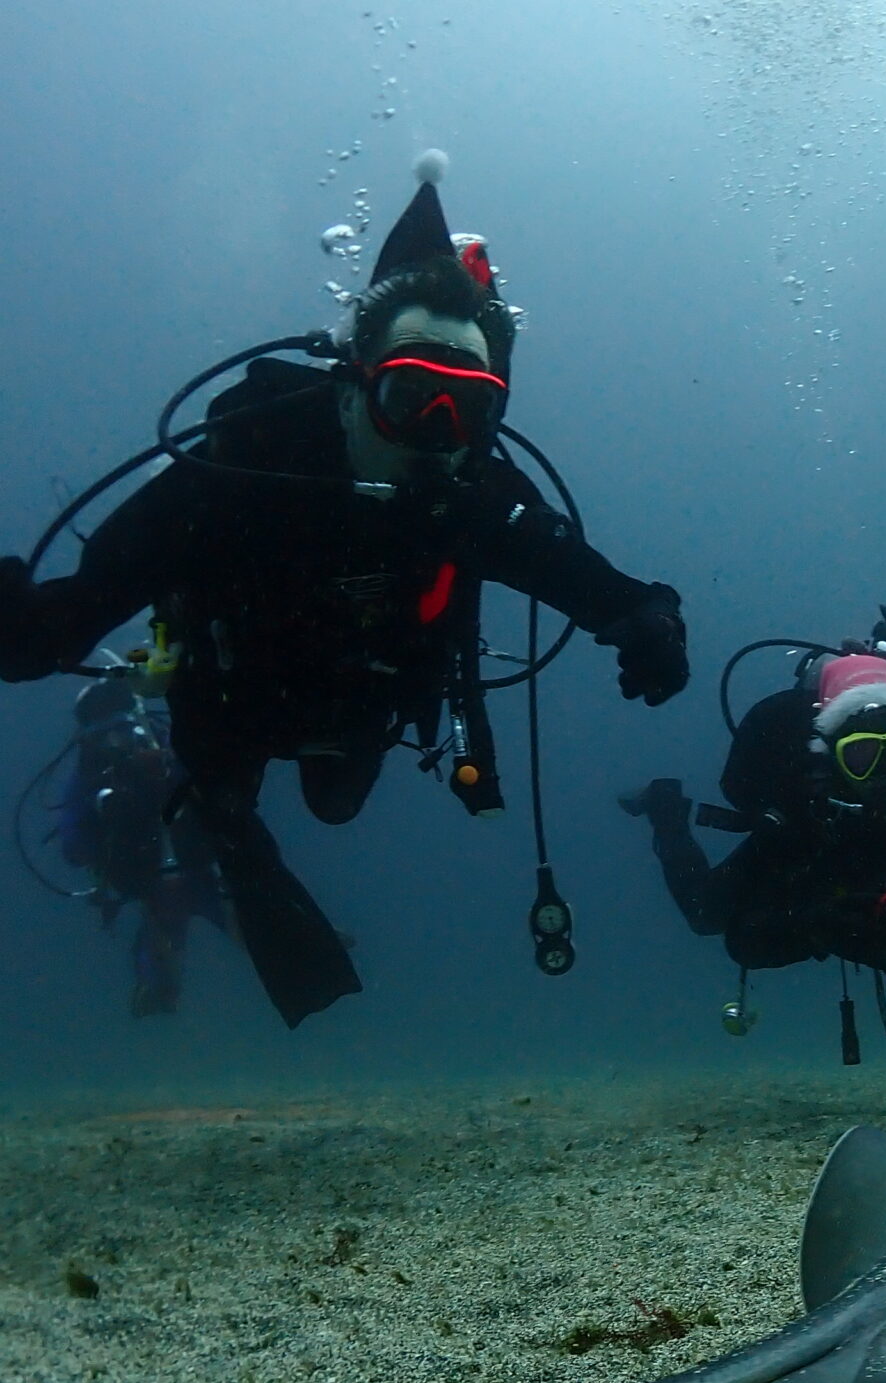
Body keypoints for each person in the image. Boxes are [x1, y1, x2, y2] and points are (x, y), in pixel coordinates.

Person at [0, 160, 689, 1026]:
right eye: (412, 397)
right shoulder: (246, 461)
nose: (437, 434)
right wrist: (31, 630)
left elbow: (586, 578)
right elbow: (88, 599)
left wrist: (648, 617)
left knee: (335, 806)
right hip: (230, 700)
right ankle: (227, 838)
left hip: (364, 705)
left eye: (467, 409)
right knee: (223, 801)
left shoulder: (474, 491)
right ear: (355, 383)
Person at [624, 642, 886, 1113]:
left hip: (870, 873)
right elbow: (746, 942)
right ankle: (665, 811)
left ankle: (877, 943)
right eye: (862, 756)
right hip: (799, 851)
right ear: (831, 755)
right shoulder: (799, 786)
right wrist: (817, 918)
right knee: (705, 915)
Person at [49, 663, 231, 1017]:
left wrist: (169, 778)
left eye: (123, 730)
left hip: (185, 867)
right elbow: (74, 847)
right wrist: (109, 809)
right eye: (105, 735)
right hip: (149, 878)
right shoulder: (91, 776)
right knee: (169, 943)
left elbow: (214, 786)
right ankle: (157, 989)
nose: (117, 743)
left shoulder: (164, 749)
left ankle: (300, 946)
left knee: (239, 922)